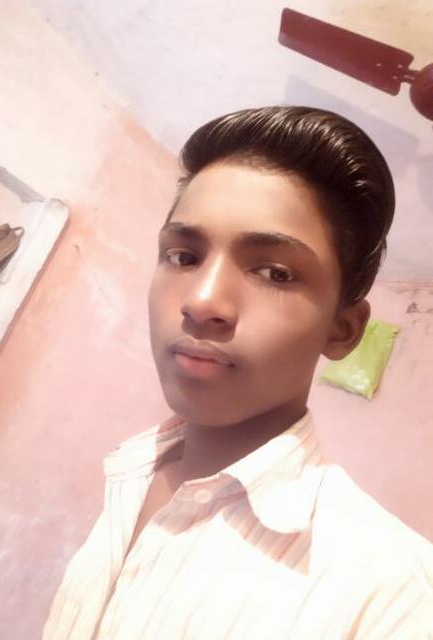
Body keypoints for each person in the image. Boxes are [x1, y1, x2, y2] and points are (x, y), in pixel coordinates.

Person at [43, 106, 433, 639]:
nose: (202, 302)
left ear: (342, 330)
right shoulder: (131, 470)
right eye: (184, 257)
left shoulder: (397, 595)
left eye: (275, 272)